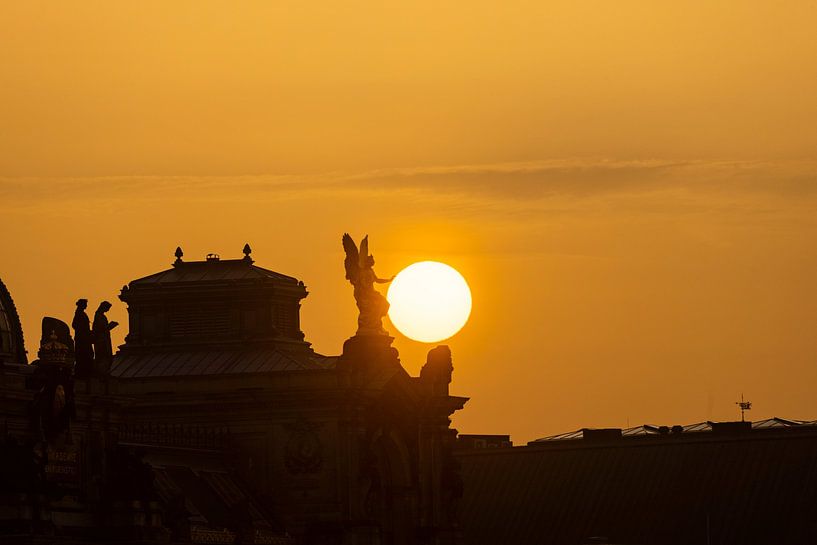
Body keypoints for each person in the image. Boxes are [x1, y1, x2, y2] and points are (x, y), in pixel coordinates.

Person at [92, 301, 118, 375]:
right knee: (103, 356)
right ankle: (101, 372)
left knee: (105, 357)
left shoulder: (101, 316)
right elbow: (100, 329)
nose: (108, 310)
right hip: (101, 340)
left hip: (104, 339)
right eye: (107, 308)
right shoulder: (99, 316)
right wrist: (110, 326)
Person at [72, 299, 94, 377]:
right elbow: (74, 325)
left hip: (84, 338)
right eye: (85, 304)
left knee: (88, 355)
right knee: (85, 355)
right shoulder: (79, 314)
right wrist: (84, 330)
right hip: (82, 339)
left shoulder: (80, 313)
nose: (86, 306)